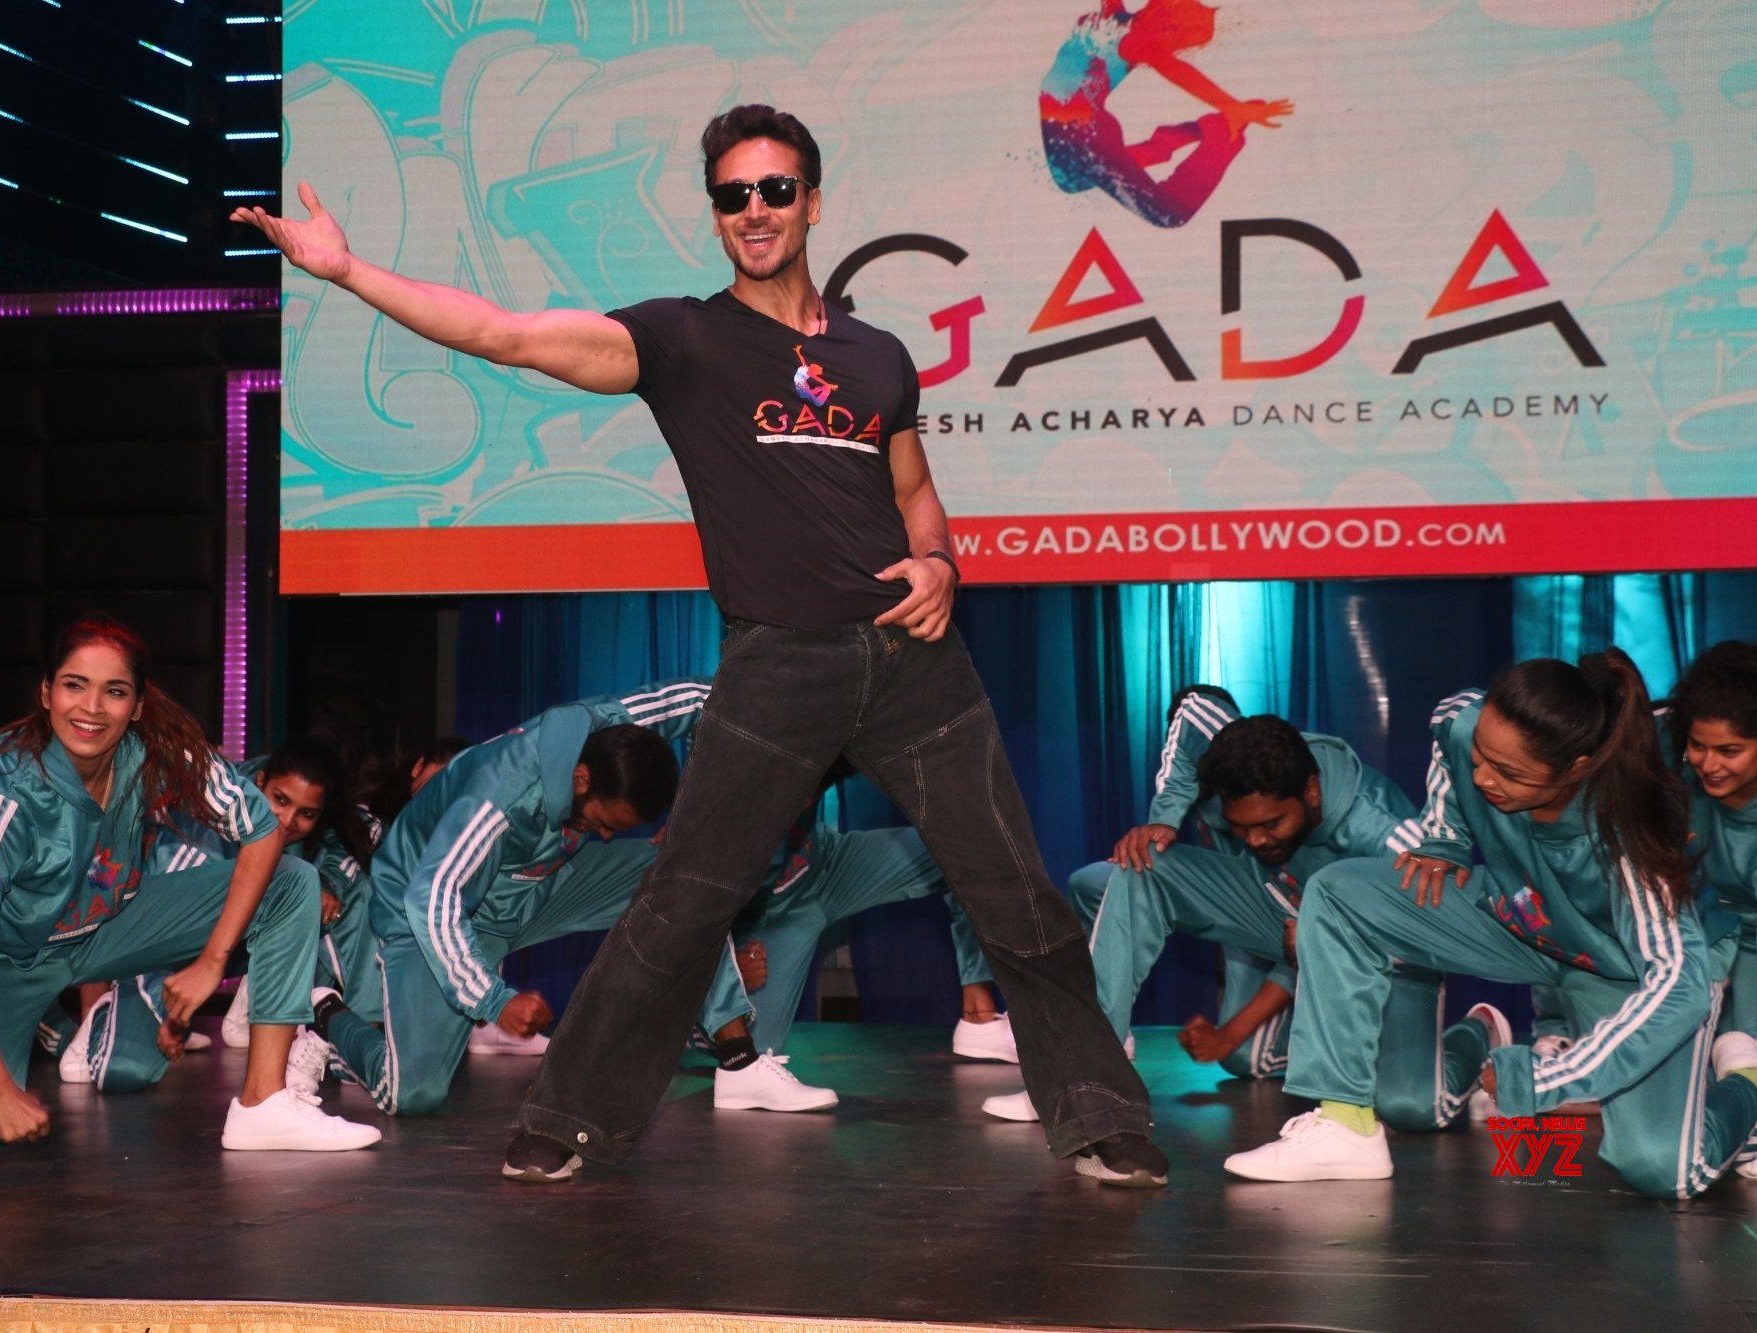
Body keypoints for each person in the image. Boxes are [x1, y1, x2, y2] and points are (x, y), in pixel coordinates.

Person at [236, 102, 1161, 1187]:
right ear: (717, 215)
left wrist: (939, 564)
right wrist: (348, 272)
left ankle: (1100, 1115)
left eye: (775, 190)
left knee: (1016, 892)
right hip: (778, 667)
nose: (755, 210)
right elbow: (504, 332)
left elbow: (915, 493)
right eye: (733, 195)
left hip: (914, 668)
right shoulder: (686, 340)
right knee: (681, 900)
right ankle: (570, 1118)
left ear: (812, 202)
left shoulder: (878, 357)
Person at [1224, 650, 1757, 1198]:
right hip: (1524, 919)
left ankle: (1748, 1088)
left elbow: (1678, 985)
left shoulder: (1628, 836)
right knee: (1339, 892)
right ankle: (1346, 1127)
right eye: (1482, 758)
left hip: (1621, 967)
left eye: (1509, 773)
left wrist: (1546, 1079)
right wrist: (1446, 834)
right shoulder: (1472, 731)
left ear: (1576, 768)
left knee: (1662, 1168)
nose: (1484, 778)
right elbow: (1451, 722)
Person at [0, 616, 381, 1165]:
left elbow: (262, 829)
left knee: (292, 881)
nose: (91, 707)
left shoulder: (152, 752)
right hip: (4, 960)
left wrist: (212, 961)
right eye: (74, 685)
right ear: (46, 693)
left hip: (107, 929)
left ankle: (264, 1104)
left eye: (114, 691)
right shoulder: (7, 788)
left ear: (136, 705)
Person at [312, 680, 771, 1116]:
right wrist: (495, 1002)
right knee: (412, 1093)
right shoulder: (496, 799)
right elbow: (432, 899)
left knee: (689, 873)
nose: (606, 837)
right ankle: (326, 1011)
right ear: (580, 779)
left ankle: (737, 1058)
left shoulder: (606, 728)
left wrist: (696, 804)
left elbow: (709, 697)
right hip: (429, 912)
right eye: (601, 823)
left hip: (540, 883)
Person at [985, 688, 1437, 1122]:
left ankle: (1457, 1042)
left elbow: (1437, 918)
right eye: (1242, 827)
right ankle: (1081, 1078)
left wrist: (1333, 928)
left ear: (1312, 792)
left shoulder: (1379, 829)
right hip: (1281, 912)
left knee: (1409, 1107)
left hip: (1383, 945)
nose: (1255, 840)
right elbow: (1193, 710)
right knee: (1143, 865)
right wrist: (1163, 819)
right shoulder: (1237, 758)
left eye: (1271, 823)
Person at [61, 734, 380, 1098]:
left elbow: (366, 826)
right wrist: (174, 1013)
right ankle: (105, 1013)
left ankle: (313, 1020)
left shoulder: (315, 819)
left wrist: (329, 882)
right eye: (280, 800)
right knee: (124, 1073)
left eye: (307, 813)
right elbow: (159, 936)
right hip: (163, 955)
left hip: (243, 942)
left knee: (346, 887)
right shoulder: (207, 823)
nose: (289, 820)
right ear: (260, 782)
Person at [709, 758, 1014, 1105]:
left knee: (969, 850)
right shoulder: (725, 779)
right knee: (750, 1054)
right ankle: (712, 1033)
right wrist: (727, 971)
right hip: (764, 923)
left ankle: (980, 1019)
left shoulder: (815, 749)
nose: (805, 801)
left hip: (828, 867)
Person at [1663, 641, 1757, 1177]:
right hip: (1711, 934)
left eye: (1730, 751)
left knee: (1744, 1072)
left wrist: (1747, 1078)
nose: (1709, 764)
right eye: (1698, 746)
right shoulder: (1677, 768)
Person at [1039, 0, 1293, 228]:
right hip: (1074, 129)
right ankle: (1164, 144)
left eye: (1177, 34)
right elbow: (1174, 67)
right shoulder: (1119, 21)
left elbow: (1176, 69)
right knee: (1071, 181)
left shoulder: (1129, 33)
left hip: (1082, 131)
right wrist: (1232, 107)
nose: (1164, 21)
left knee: (1169, 213)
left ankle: (1220, 137)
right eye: (1167, 10)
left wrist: (1232, 106)